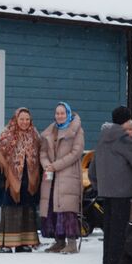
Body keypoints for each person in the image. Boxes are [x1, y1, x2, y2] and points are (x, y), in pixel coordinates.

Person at [90, 106, 132, 264]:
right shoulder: (124, 140)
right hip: (122, 189)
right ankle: (116, 261)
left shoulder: (103, 139)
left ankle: (107, 259)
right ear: (126, 120)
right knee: (120, 227)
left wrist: (96, 184)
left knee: (108, 226)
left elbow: (93, 165)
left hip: (105, 190)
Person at [0, 107, 41, 252]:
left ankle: (23, 243)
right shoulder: (8, 134)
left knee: (26, 210)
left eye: (27, 119)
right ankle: (5, 244)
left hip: (28, 179)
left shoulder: (35, 136)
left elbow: (39, 155)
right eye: (21, 119)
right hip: (10, 180)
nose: (24, 122)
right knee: (11, 210)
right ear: (16, 119)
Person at [39, 101, 85, 254]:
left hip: (68, 174)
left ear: (68, 114)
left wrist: (56, 165)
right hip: (52, 176)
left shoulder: (76, 131)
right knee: (53, 208)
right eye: (57, 113)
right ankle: (59, 241)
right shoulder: (50, 131)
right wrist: (46, 164)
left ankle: (71, 242)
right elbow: (43, 152)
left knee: (67, 209)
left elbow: (76, 153)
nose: (60, 116)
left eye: (62, 113)